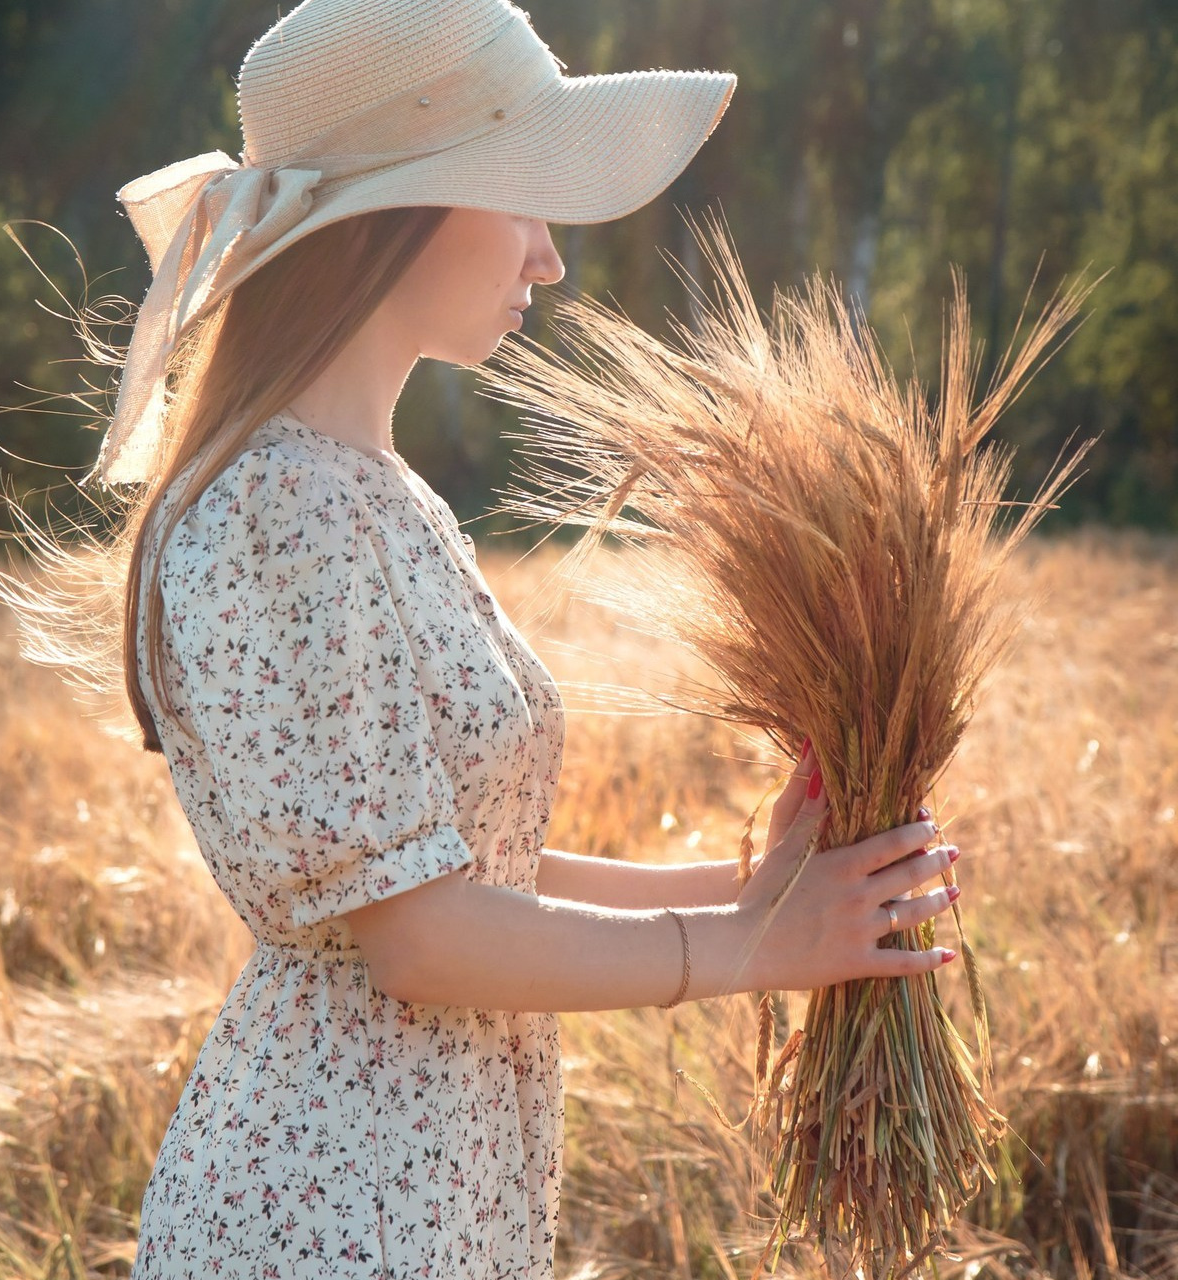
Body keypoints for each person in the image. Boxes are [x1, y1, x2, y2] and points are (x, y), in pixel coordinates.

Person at [72, 1, 963, 1275]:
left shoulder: (378, 492)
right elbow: (421, 937)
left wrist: (745, 893)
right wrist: (756, 948)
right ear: (392, 213)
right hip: (335, 1209)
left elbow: (462, 864)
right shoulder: (283, 504)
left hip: (430, 1179)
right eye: (524, 195)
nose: (547, 257)